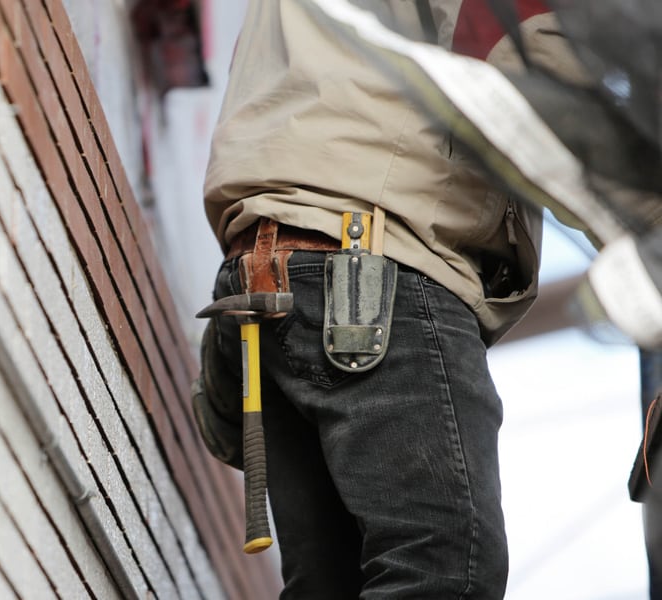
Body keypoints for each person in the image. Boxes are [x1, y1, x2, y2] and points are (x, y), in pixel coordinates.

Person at [190, 1, 589, 597]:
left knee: (334, 583)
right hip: (370, 268)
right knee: (447, 567)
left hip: (271, 269)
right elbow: (533, 67)